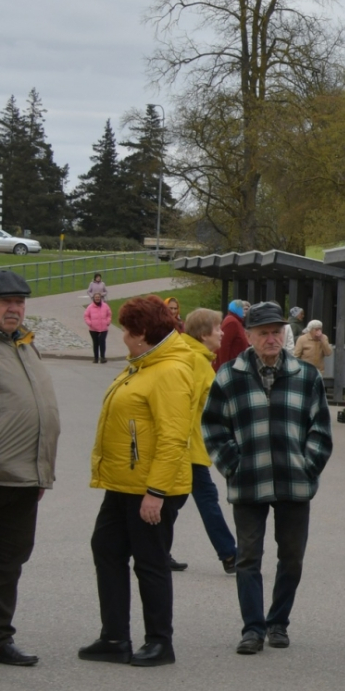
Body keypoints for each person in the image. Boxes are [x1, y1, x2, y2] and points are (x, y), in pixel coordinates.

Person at [202, 301, 333, 655]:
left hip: (295, 482)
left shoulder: (306, 376)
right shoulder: (229, 375)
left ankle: (278, 622)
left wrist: (308, 466)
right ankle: (252, 627)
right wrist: (233, 464)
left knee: (292, 557)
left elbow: (320, 429)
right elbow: (212, 426)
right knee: (248, 558)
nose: (271, 338)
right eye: (263, 333)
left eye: (277, 332)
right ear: (249, 336)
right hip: (248, 480)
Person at [80, 295, 196, 667]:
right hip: (124, 484)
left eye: (126, 332)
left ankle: (160, 642)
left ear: (142, 334)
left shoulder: (170, 370)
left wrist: (156, 492)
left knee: (150, 562)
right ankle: (114, 637)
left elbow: (174, 436)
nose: (123, 338)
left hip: (151, 488)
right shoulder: (145, 363)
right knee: (107, 548)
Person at [0, 271, 60, 666]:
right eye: (6, 302)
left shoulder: (25, 346)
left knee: (10, 561)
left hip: (24, 477)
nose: (14, 308)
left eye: (19, 302)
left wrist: (40, 471)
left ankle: (1, 637)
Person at [179, 308, 239, 575]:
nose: (222, 332)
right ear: (204, 335)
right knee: (206, 498)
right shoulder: (195, 361)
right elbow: (191, 407)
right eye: (217, 329)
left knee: (172, 502)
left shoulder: (196, 357)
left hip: (189, 446)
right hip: (187, 447)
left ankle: (153, 547)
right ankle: (229, 553)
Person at [215, 300, 249, 371]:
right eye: (241, 308)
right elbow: (224, 346)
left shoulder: (236, 321)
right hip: (231, 367)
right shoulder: (232, 322)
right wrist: (224, 368)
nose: (243, 311)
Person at [84, 291, 111, 363]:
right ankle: (96, 358)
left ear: (100, 298)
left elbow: (109, 314)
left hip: (103, 328)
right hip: (93, 329)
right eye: (96, 297)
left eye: (98, 297)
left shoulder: (105, 306)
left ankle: (102, 357)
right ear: (94, 298)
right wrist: (90, 323)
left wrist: (107, 322)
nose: (97, 299)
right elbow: (86, 316)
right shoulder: (90, 307)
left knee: (102, 342)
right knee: (95, 343)